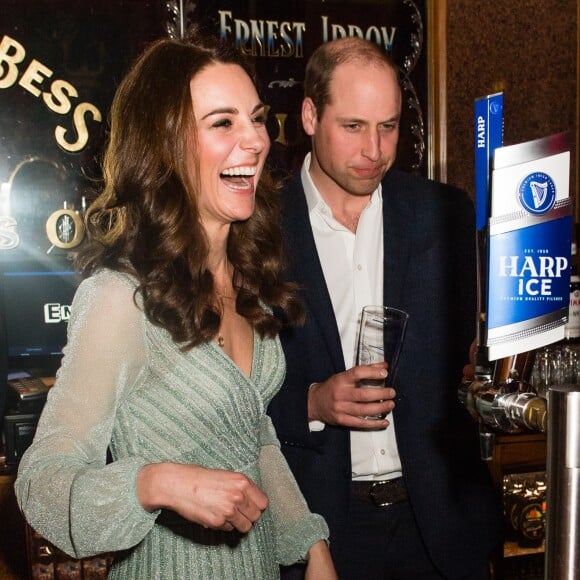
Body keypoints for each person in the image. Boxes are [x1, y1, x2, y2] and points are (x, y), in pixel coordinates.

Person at [15, 36, 337, 580]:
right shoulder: (120, 298)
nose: (255, 141)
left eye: (256, 119)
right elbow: (42, 483)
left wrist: (311, 545)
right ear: (165, 146)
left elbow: (252, 434)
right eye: (222, 123)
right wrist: (156, 483)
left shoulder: (245, 278)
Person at [267, 36, 503, 580]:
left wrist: (482, 367)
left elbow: (471, 358)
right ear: (308, 115)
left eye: (389, 126)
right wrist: (311, 402)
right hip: (318, 532)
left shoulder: (442, 214)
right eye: (353, 127)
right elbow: (226, 398)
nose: (375, 150)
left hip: (441, 531)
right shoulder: (257, 230)